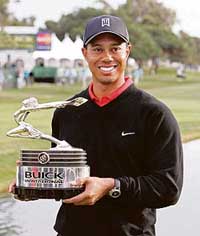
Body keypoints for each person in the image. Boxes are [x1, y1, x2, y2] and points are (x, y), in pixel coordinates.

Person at [10, 15, 183, 236]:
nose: (107, 57)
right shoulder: (66, 111)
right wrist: (33, 186)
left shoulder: (154, 114)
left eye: (115, 48)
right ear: (85, 53)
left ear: (127, 51)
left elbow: (169, 188)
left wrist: (111, 186)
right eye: (98, 49)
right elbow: (64, 181)